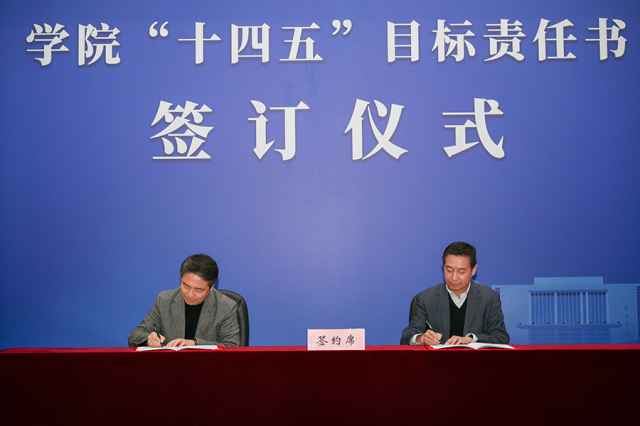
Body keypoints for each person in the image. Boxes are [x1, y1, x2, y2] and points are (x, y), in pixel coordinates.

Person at [400, 242, 510, 345]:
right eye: (449, 270)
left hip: (475, 359)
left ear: (473, 270)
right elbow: (407, 337)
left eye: (461, 272)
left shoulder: (489, 298)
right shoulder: (426, 298)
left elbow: (501, 337)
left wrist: (471, 339)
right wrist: (422, 338)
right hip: (438, 359)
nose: (454, 277)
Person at [128, 254, 240, 347]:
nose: (190, 294)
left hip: (208, 365)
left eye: (198, 290)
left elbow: (232, 346)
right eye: (186, 286)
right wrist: (148, 339)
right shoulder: (165, 300)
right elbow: (135, 335)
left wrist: (194, 343)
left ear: (211, 287)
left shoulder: (226, 306)